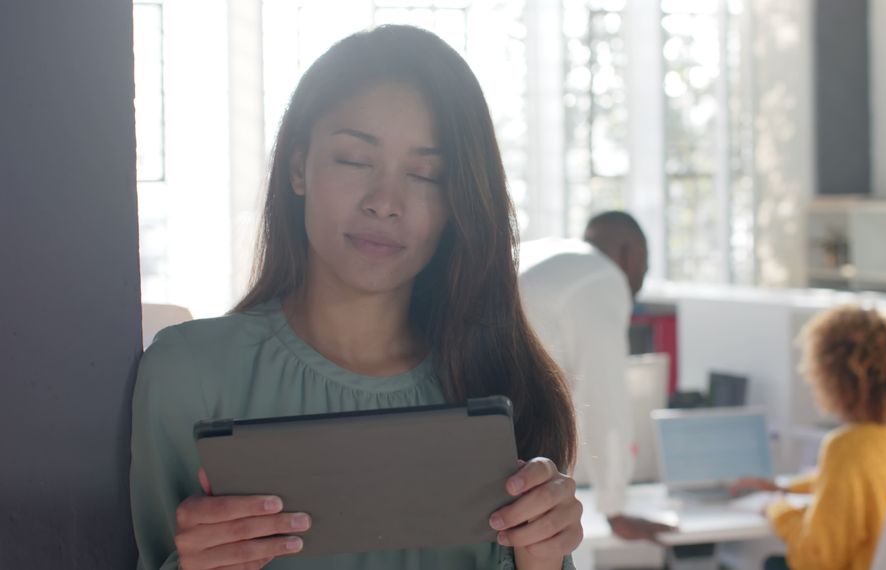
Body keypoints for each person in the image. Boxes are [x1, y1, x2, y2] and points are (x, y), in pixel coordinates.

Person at [130, 26, 583, 570]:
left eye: (425, 173)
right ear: (299, 167)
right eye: (353, 159)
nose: (385, 202)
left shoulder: (503, 383)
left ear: (458, 200)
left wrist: (545, 560)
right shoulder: (189, 376)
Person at [731, 304, 886, 570]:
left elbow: (816, 560)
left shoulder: (848, 447)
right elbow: (863, 485)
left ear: (833, 376)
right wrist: (785, 487)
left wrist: (778, 509)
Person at [518, 212, 672, 542]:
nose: (638, 287)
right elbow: (605, 398)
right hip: (522, 467)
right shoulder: (602, 278)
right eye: (643, 271)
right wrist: (615, 508)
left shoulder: (544, 254)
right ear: (629, 254)